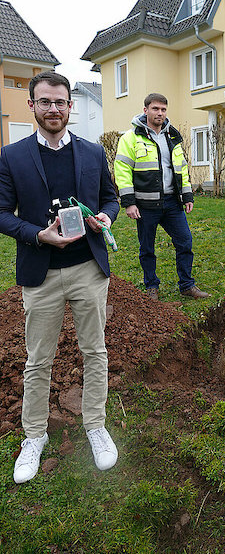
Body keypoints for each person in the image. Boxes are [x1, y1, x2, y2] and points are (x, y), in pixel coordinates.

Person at [0, 71, 120, 484]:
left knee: (95, 351)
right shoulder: (12, 157)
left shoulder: (92, 152)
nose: (54, 109)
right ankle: (34, 436)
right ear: (31, 106)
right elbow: (1, 213)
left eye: (61, 102)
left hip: (89, 268)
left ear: (71, 106)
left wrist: (107, 216)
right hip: (41, 272)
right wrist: (37, 234)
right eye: (45, 102)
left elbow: (110, 197)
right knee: (38, 359)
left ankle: (95, 425)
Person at [114, 93, 209, 300]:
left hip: (172, 203)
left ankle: (186, 285)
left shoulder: (172, 137)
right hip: (145, 205)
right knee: (147, 248)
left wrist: (187, 195)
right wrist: (129, 203)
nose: (160, 113)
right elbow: (122, 171)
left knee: (185, 242)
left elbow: (181, 168)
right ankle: (152, 286)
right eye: (155, 109)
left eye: (163, 109)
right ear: (145, 109)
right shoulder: (130, 138)